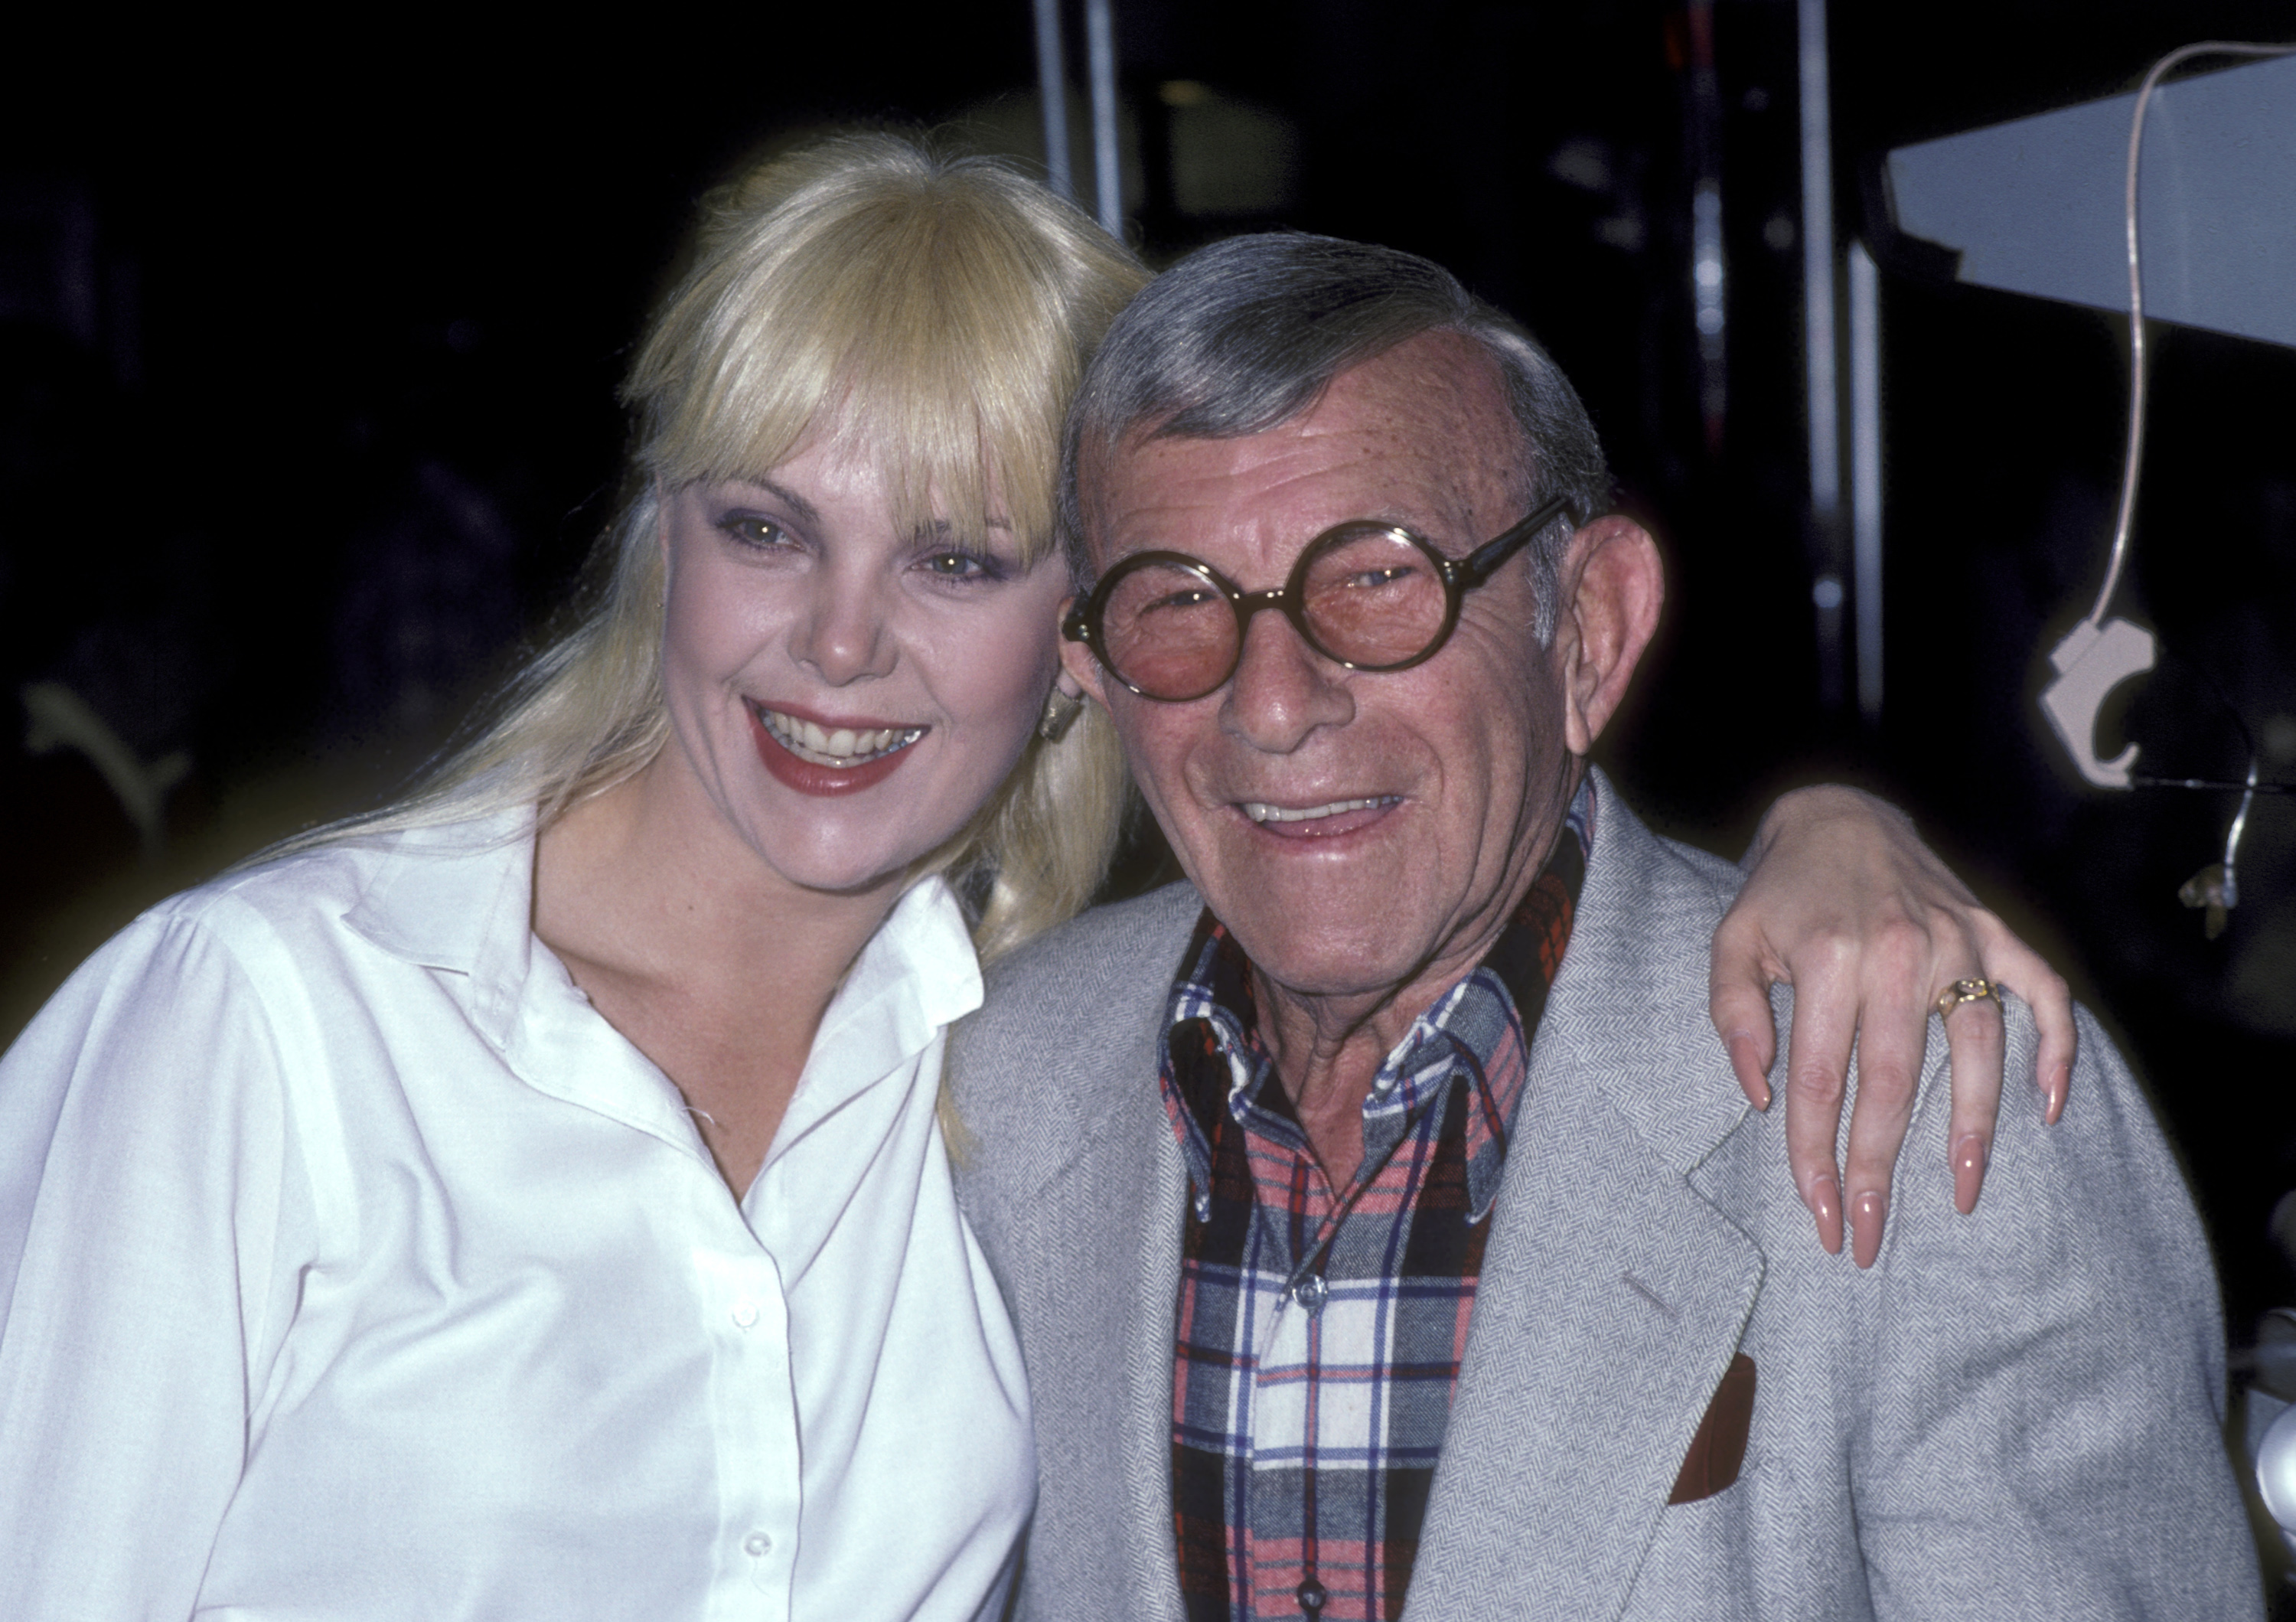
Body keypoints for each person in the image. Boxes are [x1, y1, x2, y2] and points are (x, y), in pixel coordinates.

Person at [0, 136, 2066, 1619]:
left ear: (1088, 646)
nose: (837, 642)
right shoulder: (264, 1028)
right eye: (767, 525)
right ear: (662, 544)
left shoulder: (1016, 1079)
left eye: (961, 559)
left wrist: (1825, 836)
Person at [951, 231, 2255, 1620]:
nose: (1275, 707)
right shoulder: (1000, 1085)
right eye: (1178, 604)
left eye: (1379, 580)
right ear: (1091, 668)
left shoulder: (1934, 1096)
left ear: (1587, 627)